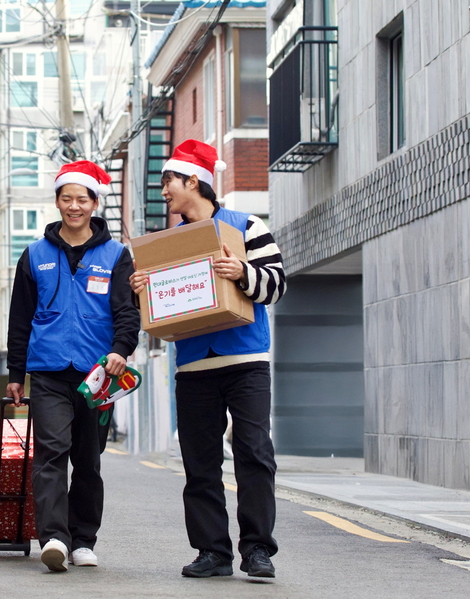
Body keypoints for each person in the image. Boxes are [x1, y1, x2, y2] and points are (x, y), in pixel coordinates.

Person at [130, 139, 286, 579]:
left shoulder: (247, 227)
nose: (163, 192)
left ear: (192, 181)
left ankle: (258, 550)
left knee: (254, 454)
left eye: (168, 182)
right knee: (199, 461)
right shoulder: (167, 243)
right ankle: (212, 552)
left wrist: (242, 273)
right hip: (193, 365)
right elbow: (156, 311)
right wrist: (143, 289)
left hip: (246, 361)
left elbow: (276, 285)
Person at [6, 160, 141, 572]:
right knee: (50, 453)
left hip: (99, 375)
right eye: (67, 198)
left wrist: (122, 349)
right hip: (48, 371)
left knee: (88, 458)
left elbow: (127, 312)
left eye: (82, 199)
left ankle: (83, 539)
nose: (74, 206)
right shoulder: (34, 255)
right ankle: (54, 539)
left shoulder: (116, 255)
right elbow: (20, 318)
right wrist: (16, 374)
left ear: (94, 202)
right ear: (57, 202)